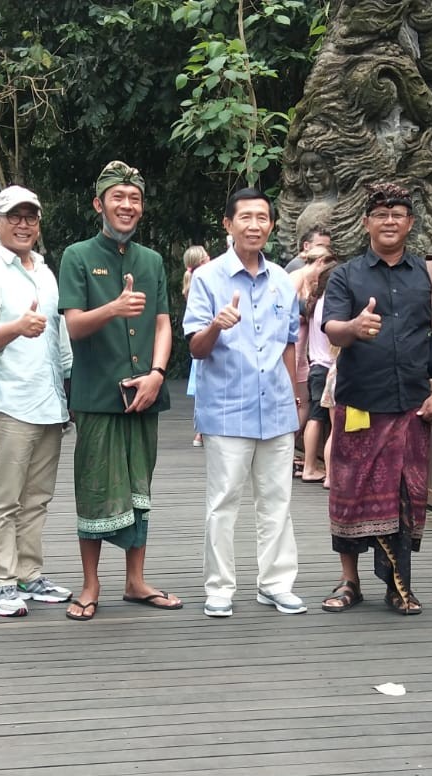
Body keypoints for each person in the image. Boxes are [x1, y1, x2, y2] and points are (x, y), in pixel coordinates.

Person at [320, 183, 432, 615]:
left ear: (410, 222)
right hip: (359, 404)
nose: (389, 221)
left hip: (411, 407)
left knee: (404, 495)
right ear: (366, 222)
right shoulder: (346, 274)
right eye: (381, 214)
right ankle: (349, 581)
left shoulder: (428, 274)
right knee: (350, 492)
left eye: (397, 214)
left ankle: (399, 586)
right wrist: (353, 328)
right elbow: (331, 328)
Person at [57, 161, 180, 621]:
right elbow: (73, 325)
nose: (127, 205)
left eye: (134, 198)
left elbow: (163, 323)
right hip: (96, 395)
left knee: (138, 487)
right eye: (118, 197)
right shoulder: (77, 256)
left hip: (144, 393)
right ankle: (90, 584)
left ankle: (136, 580)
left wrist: (158, 373)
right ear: (99, 204)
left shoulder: (151, 261)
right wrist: (113, 307)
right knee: (94, 489)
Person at [183, 187, 306, 619]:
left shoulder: (283, 281)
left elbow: (289, 344)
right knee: (223, 503)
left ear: (271, 225)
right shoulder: (207, 278)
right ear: (228, 224)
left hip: (276, 407)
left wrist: (294, 398)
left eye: (262, 218)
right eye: (245, 217)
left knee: (277, 502)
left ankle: (276, 584)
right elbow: (196, 349)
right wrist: (216, 325)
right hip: (226, 409)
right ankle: (219, 587)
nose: (254, 225)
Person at [0, 185, 76, 618]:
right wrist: (17, 327)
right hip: (9, 403)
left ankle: (29, 575)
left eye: (30, 217)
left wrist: (69, 390)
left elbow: (59, 336)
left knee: (37, 499)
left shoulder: (45, 271)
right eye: (14, 217)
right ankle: (1, 583)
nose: (23, 224)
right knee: (4, 501)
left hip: (49, 403)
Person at [294, 246, 337, 483]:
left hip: (315, 365)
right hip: (328, 367)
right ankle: (326, 474)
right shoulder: (330, 305)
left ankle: (310, 466)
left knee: (315, 417)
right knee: (334, 425)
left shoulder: (314, 301)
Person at [180, 244, 211, 448]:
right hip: (205, 338)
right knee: (205, 389)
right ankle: (201, 431)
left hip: (198, 340)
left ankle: (200, 430)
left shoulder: (189, 282)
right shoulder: (202, 282)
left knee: (201, 390)